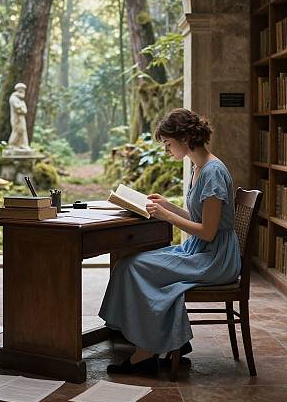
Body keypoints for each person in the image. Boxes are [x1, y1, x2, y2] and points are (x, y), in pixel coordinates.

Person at [98, 108, 241, 375]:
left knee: (133, 267)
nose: (166, 149)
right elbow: (199, 218)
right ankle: (168, 342)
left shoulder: (212, 173)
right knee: (130, 264)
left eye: (167, 143)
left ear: (185, 139)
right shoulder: (199, 167)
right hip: (202, 251)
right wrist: (169, 206)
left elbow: (208, 232)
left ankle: (146, 352)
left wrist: (166, 216)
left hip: (215, 258)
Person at [8, 83, 30, 150]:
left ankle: (22, 144)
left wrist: (22, 109)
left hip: (21, 117)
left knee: (23, 130)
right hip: (16, 118)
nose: (23, 91)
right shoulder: (13, 98)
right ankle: (12, 144)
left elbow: (25, 110)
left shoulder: (21, 99)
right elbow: (18, 108)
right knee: (17, 130)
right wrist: (22, 109)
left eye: (24, 90)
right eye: (22, 90)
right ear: (19, 90)